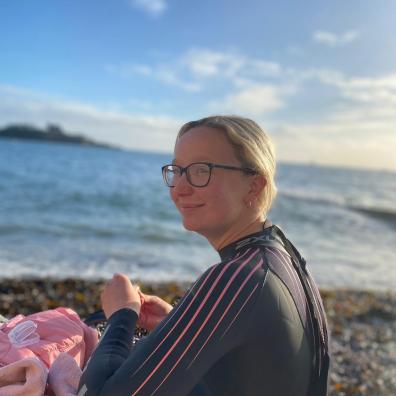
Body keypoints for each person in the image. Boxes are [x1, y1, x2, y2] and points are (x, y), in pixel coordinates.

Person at [78, 115, 330, 396]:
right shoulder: (282, 256)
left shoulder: (239, 277)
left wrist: (122, 315)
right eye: (177, 170)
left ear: (254, 185)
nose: (179, 188)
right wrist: (175, 322)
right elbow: (258, 359)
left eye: (201, 170)